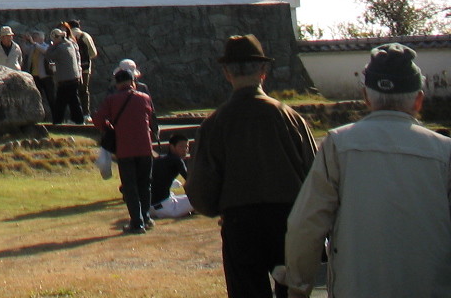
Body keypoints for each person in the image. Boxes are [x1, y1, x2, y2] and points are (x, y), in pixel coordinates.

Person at [278, 43, 451, 297]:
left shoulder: (339, 144)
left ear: (366, 96)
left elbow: (307, 224)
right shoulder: (444, 151)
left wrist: (298, 285)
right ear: (419, 99)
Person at [186, 34, 316, 298]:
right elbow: (315, 177)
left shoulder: (214, 124)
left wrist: (215, 207)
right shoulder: (290, 117)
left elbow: (201, 187)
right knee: (294, 292)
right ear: (263, 71)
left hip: (240, 223)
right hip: (289, 221)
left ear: (226, 73)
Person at [94, 67, 158, 233]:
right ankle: (146, 217)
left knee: (130, 187)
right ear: (133, 82)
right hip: (145, 147)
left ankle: (137, 222)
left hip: (125, 149)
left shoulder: (112, 100)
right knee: (145, 184)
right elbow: (151, 119)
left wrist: (109, 127)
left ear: (117, 84)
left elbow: (98, 119)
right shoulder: (145, 98)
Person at [46, 27, 84, 124]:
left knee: (61, 103)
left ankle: (58, 121)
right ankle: (78, 120)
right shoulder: (70, 44)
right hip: (74, 78)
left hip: (65, 80)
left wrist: (52, 45)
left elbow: (49, 55)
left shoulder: (59, 48)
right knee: (73, 101)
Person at [151, 132, 190, 209]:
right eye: (181, 147)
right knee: (199, 200)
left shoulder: (159, 159)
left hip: (149, 207)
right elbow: (190, 180)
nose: (185, 150)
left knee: (175, 185)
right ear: (172, 147)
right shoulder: (177, 160)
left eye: (187, 147)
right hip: (165, 207)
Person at [69, 18, 98, 117]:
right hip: (85, 67)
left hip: (72, 68)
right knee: (84, 90)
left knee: (73, 91)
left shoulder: (67, 36)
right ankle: (86, 113)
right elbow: (93, 53)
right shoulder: (85, 36)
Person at [26, 30, 54, 111]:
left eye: (35, 37)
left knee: (50, 97)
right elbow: (25, 50)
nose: (33, 38)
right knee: (37, 97)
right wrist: (24, 41)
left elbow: (44, 51)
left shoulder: (47, 46)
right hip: (35, 76)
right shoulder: (33, 47)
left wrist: (34, 43)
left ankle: (56, 116)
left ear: (41, 38)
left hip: (46, 76)